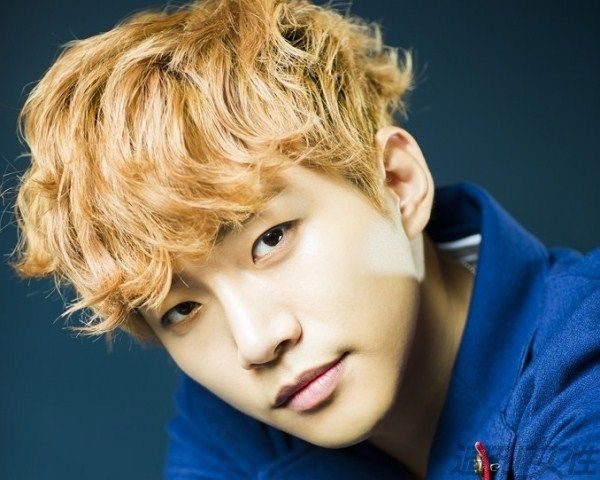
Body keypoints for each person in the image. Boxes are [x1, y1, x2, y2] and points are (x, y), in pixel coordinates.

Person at [10, 0, 600, 478]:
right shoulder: (232, 427)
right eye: (182, 309)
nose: (256, 342)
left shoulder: (582, 375)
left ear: (397, 185)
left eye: (270, 240)